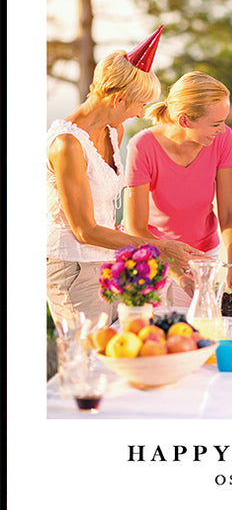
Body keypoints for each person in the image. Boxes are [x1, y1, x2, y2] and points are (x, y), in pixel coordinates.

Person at [47, 26, 202, 329]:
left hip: (107, 265)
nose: (141, 112)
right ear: (118, 100)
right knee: (90, 358)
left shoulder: (112, 131)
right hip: (74, 268)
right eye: (139, 104)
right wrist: (159, 247)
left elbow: (108, 220)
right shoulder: (67, 144)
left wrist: (163, 263)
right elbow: (85, 230)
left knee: (121, 347)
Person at [123, 71, 232, 307]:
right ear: (185, 120)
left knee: (201, 332)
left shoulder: (221, 138)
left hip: (202, 257)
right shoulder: (142, 146)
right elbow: (135, 228)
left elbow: (229, 213)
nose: (222, 130)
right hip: (153, 256)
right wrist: (175, 271)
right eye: (215, 124)